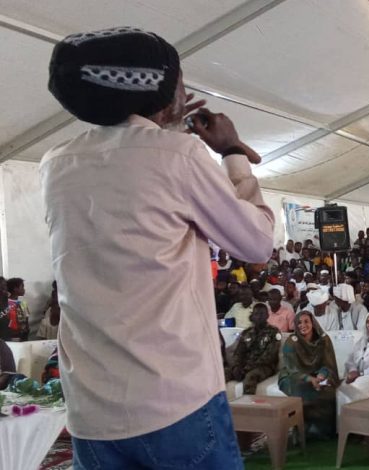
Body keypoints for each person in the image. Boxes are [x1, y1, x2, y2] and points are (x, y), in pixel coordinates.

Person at [42, 28, 274, 467]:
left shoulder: (56, 164)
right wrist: (231, 151)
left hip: (92, 412)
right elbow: (257, 242)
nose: (186, 93)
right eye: (180, 82)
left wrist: (159, 123)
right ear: (159, 91)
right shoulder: (178, 154)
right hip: (175, 403)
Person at [278, 312, 338, 439]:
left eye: (306, 321)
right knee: (302, 389)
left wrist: (321, 376)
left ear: (313, 323)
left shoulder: (323, 340)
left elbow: (328, 364)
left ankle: (322, 431)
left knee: (328, 390)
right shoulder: (291, 342)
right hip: (292, 376)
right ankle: (301, 431)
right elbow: (292, 369)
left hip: (316, 375)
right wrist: (310, 379)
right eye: (299, 322)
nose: (302, 325)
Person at [225, 304, 281, 394]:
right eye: (256, 314)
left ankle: (248, 402)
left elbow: (269, 356)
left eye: (262, 314)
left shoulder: (274, 332)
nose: (259, 317)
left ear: (267, 315)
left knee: (250, 377)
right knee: (224, 373)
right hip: (245, 365)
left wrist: (247, 368)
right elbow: (239, 352)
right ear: (252, 316)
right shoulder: (247, 332)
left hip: (264, 367)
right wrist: (236, 366)